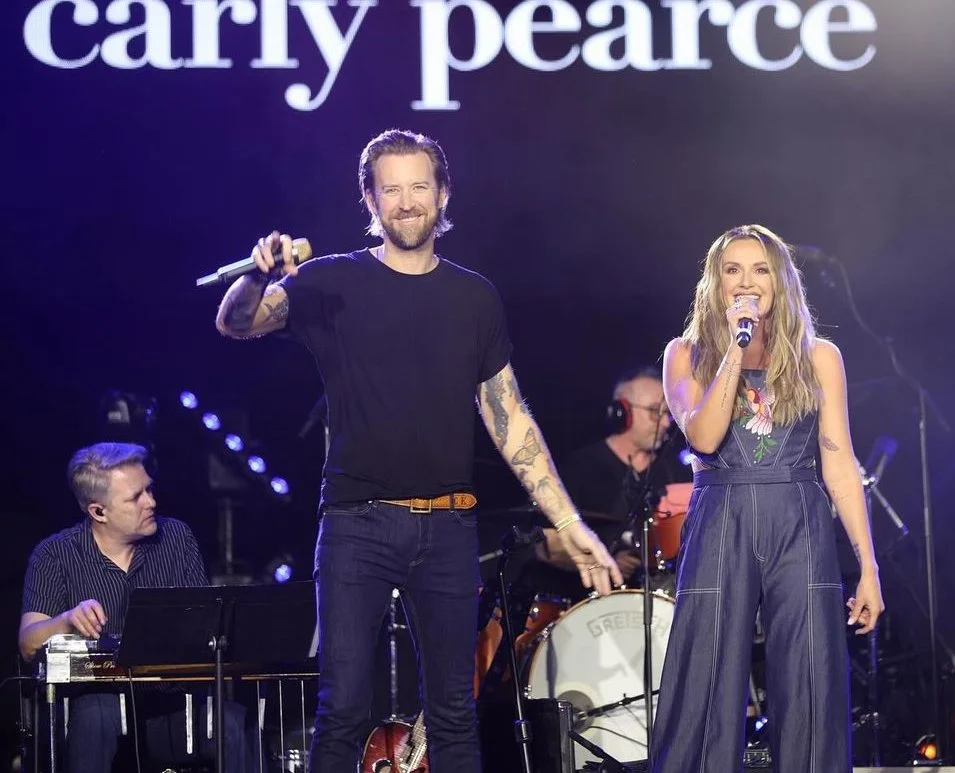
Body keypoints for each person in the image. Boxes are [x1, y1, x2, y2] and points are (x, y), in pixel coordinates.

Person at [213, 128, 621, 773]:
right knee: (343, 708)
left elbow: (509, 415)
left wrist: (567, 522)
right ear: (370, 201)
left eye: (419, 187)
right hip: (357, 524)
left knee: (455, 715)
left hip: (450, 528)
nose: (407, 202)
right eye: (391, 189)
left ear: (443, 194)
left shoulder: (473, 296)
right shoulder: (330, 282)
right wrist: (255, 276)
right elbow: (238, 323)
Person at [649, 225, 884, 772]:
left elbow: (839, 462)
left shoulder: (819, 356)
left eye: (759, 270)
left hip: (798, 519)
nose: (746, 282)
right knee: (705, 673)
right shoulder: (685, 354)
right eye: (733, 270)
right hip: (720, 518)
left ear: (780, 281)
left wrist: (867, 565)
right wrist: (733, 347)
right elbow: (703, 437)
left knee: (810, 676)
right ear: (716, 282)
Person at [18, 442, 251, 773]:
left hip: (170, 707)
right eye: (135, 497)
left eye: (149, 490)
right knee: (97, 713)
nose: (151, 502)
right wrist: (67, 620)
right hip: (90, 711)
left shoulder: (177, 539)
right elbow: (28, 643)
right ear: (98, 511)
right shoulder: (54, 555)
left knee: (232, 722)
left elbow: (206, 625)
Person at [529, 366, 692, 602]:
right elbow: (544, 547)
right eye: (655, 411)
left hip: (663, 602)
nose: (665, 422)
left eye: (668, 413)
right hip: (589, 604)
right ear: (622, 412)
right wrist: (603, 561)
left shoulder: (674, 470)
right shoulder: (580, 468)